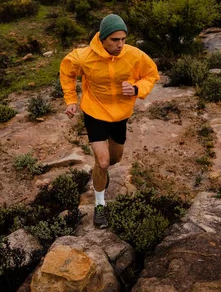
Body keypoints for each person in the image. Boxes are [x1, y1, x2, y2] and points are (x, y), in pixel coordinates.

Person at [60, 14, 159, 228]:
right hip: (94, 113)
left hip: (120, 116)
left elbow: (151, 75)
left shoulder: (134, 55)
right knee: (103, 162)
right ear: (103, 38)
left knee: (114, 160)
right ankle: (100, 205)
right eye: (115, 40)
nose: (120, 44)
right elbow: (67, 71)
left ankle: (101, 173)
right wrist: (70, 99)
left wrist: (136, 89)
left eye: (123, 39)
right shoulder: (84, 56)